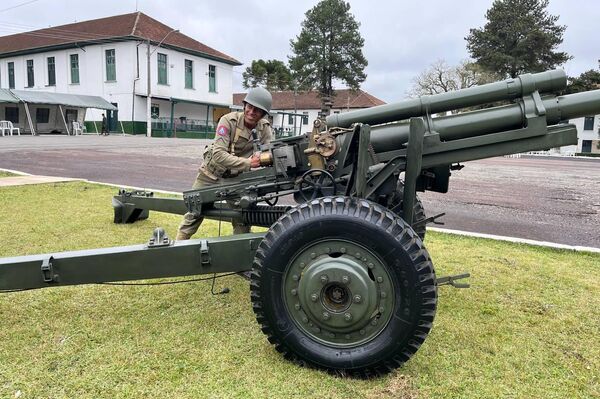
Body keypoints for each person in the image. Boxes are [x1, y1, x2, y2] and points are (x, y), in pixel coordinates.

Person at [176, 87, 273, 240]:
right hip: (210, 174)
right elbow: (218, 154)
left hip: (235, 178)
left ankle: (241, 250)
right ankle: (178, 247)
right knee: (194, 212)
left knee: (243, 215)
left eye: (257, 110)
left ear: (262, 114)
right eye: (250, 107)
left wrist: (264, 156)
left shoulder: (264, 128)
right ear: (244, 106)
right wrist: (248, 163)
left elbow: (271, 151)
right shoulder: (228, 120)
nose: (252, 112)